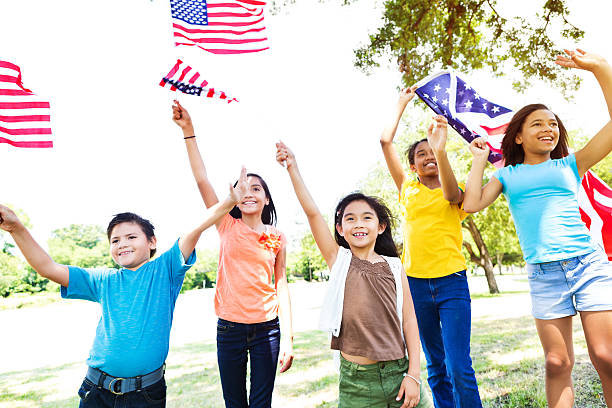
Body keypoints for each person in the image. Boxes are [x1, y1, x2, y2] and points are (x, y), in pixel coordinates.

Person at [0, 173, 247, 408]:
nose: (122, 244)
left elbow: (194, 230)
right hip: (96, 390)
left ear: (151, 242)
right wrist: (16, 228)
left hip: (145, 395)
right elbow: (48, 268)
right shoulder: (103, 279)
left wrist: (227, 203)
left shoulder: (165, 270)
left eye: (131, 237)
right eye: (115, 241)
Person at [463, 49, 612, 408]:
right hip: (544, 275)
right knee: (557, 361)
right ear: (517, 137)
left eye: (553, 124)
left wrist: (600, 68)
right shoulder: (507, 175)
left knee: (606, 356)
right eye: (538, 124)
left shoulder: (569, 165)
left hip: (587, 265)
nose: (549, 129)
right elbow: (471, 203)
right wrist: (479, 161)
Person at [275, 141, 432, 408]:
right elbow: (313, 213)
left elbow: (409, 322)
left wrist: (413, 376)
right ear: (340, 228)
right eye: (350, 218)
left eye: (366, 217)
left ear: (381, 226)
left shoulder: (394, 266)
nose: (358, 223)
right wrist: (293, 168)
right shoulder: (339, 260)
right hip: (357, 383)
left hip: (399, 374)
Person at [172, 100, 293, 408]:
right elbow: (202, 180)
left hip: (268, 328)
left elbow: (281, 284)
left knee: (260, 403)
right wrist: (189, 132)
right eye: (243, 188)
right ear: (236, 199)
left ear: (266, 199)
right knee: (235, 403)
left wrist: (288, 336)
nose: (249, 193)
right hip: (229, 328)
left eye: (256, 189)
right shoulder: (226, 223)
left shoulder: (277, 237)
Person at [379, 87, 482, 408]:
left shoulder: (458, 189)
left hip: (451, 283)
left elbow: (452, 197)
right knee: (435, 366)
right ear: (412, 166)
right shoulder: (407, 188)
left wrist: (440, 150)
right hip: (415, 286)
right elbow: (385, 142)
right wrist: (400, 102)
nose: (427, 157)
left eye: (431, 152)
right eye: (420, 154)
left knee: (458, 365)